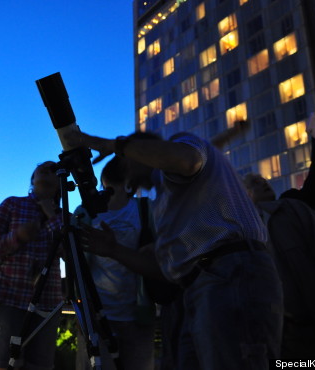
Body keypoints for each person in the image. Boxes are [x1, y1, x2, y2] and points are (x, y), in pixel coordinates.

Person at [68, 130, 283, 370]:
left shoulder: (184, 144)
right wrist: (114, 250)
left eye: (127, 160)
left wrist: (114, 144)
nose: (126, 170)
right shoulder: (165, 200)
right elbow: (163, 270)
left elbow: (187, 159)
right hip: (198, 288)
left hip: (229, 274)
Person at [243, 173, 315, 359]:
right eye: (255, 182)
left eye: (263, 179)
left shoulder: (293, 210)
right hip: (289, 341)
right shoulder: (243, 236)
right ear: (244, 195)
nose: (264, 182)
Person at [74, 157, 155, 370]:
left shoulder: (147, 210)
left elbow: (160, 256)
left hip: (139, 315)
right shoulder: (85, 212)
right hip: (97, 316)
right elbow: (74, 262)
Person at [0, 161, 64, 370]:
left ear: (61, 183)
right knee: (3, 364)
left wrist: (52, 217)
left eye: (54, 170)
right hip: (10, 297)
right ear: (32, 179)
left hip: (48, 302)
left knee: (40, 365)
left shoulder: (64, 217)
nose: (48, 172)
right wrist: (17, 236)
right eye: (42, 169)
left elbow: (71, 255)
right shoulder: (12, 204)